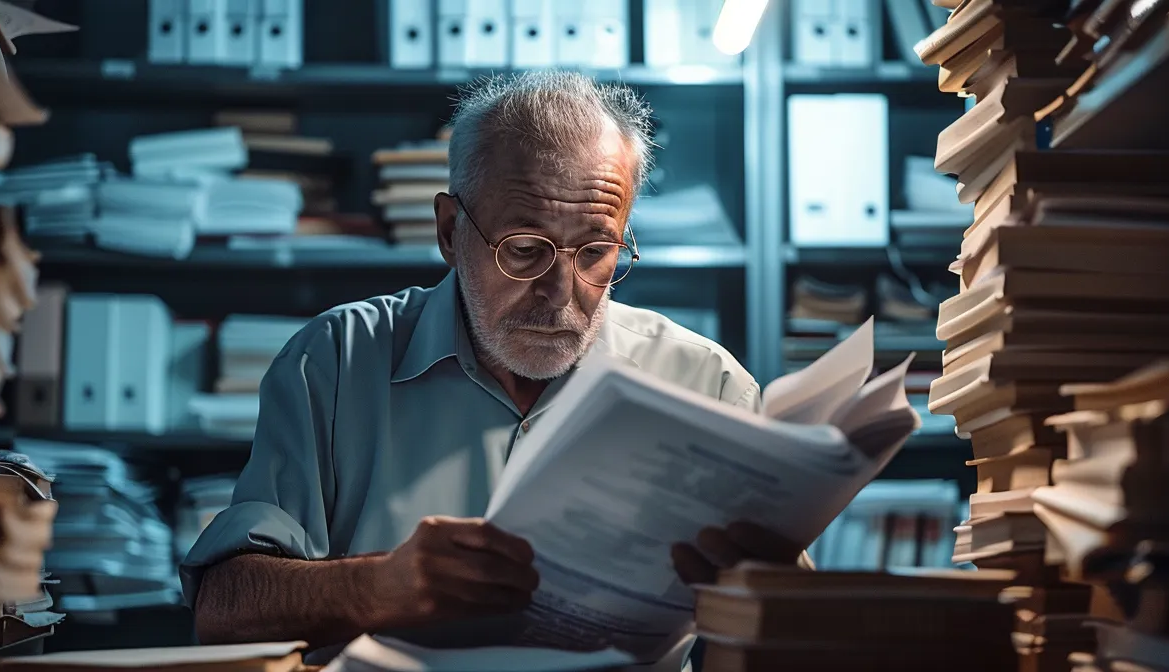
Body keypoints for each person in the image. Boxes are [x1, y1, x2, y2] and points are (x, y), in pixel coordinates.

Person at [182, 71, 804, 661]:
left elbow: (800, 634)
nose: (561, 292)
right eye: (525, 250)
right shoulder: (337, 362)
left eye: (596, 252)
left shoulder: (707, 386)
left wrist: (759, 605)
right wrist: (378, 587)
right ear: (450, 232)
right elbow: (222, 609)